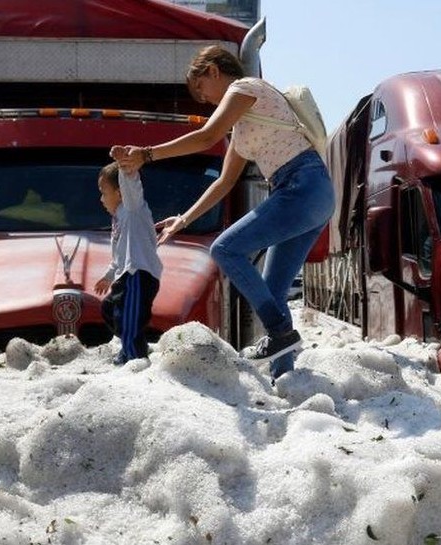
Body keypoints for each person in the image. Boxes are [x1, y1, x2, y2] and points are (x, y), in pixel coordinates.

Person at [111, 45, 334, 378]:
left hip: (302, 185)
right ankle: (284, 378)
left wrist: (146, 154)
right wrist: (184, 218)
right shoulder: (243, 129)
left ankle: (281, 334)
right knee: (272, 292)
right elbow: (224, 183)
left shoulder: (245, 88)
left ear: (213, 70)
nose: (204, 100)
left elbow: (206, 137)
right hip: (308, 194)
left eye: (201, 89)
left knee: (225, 249)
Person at [94, 159, 162, 364]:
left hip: (139, 274)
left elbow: (132, 186)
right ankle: (135, 346)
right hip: (125, 275)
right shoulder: (118, 218)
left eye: (104, 193)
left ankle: (133, 357)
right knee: (109, 309)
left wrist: (125, 168)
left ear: (120, 193)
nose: (101, 199)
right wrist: (108, 275)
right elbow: (118, 256)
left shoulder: (132, 209)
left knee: (129, 319)